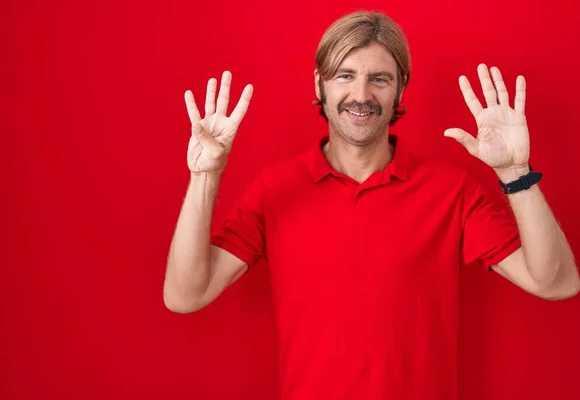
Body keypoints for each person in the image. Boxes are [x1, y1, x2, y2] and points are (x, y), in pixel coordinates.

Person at [164, 10, 579, 400]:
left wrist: (514, 172)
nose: (361, 95)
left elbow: (556, 283)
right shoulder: (274, 190)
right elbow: (185, 295)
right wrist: (205, 175)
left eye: (379, 79)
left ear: (400, 87)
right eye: (345, 75)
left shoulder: (451, 190)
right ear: (319, 85)